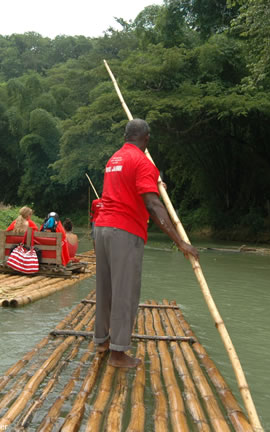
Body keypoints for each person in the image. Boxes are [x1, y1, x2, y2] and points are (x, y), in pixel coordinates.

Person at [93, 119, 199, 368]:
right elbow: (153, 205)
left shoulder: (114, 159)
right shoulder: (143, 162)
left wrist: (155, 182)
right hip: (123, 231)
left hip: (102, 227)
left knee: (105, 288)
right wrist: (180, 242)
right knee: (124, 292)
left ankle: (102, 341)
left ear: (125, 136)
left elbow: (129, 189)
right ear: (147, 138)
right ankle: (118, 354)